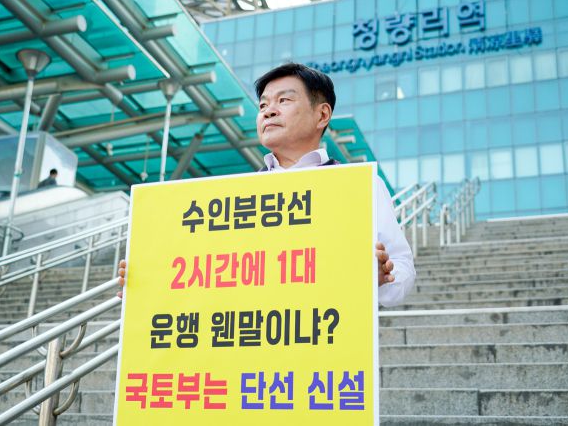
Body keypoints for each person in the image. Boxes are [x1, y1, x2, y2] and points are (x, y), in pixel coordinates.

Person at [118, 63, 415, 307]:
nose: (268, 111)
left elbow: (401, 266)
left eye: (284, 100)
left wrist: (382, 277)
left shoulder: (359, 186)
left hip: (322, 343)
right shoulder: (233, 197)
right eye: (263, 105)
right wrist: (150, 284)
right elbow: (209, 272)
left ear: (322, 115)